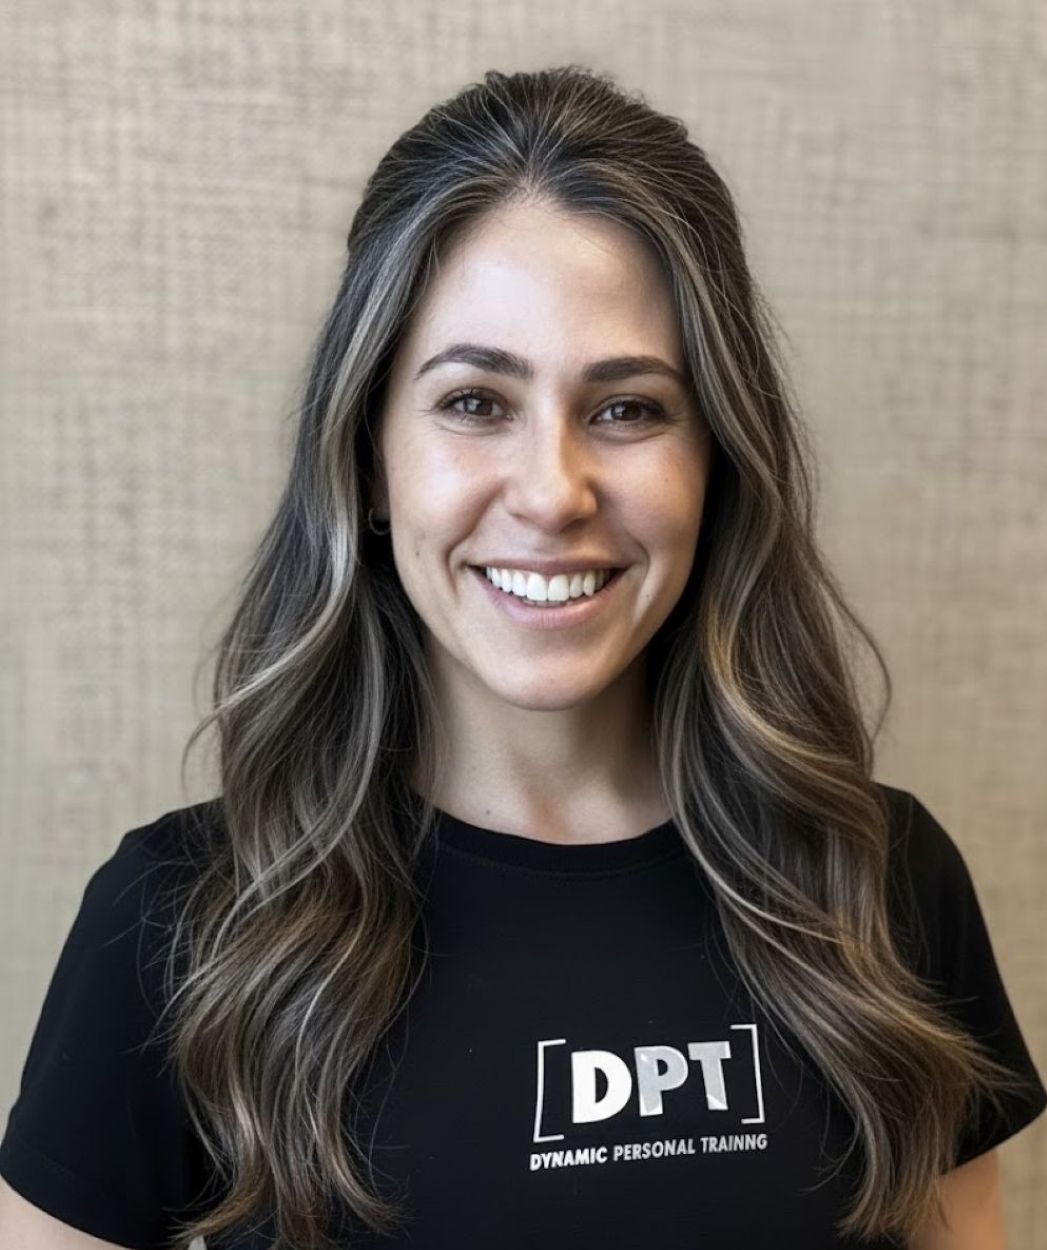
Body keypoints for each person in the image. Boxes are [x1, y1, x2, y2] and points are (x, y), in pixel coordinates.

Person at [1, 64, 1044, 1250]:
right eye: (475, 402)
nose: (553, 492)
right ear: (369, 458)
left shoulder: (882, 884)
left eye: (628, 407)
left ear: (717, 462)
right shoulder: (182, 922)